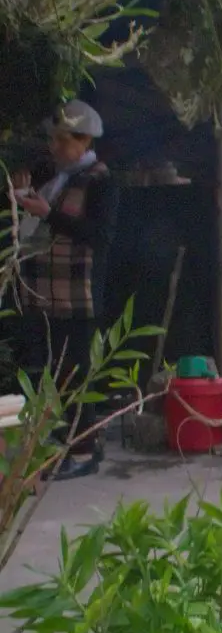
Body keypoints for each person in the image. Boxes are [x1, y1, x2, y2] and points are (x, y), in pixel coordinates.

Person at [15, 101, 119, 479]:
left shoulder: (100, 180)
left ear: (85, 140)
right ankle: (59, 445)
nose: (55, 148)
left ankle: (85, 450)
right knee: (52, 375)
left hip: (79, 296)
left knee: (76, 375)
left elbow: (100, 236)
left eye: (63, 141)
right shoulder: (55, 177)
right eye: (54, 140)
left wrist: (49, 214)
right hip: (44, 293)